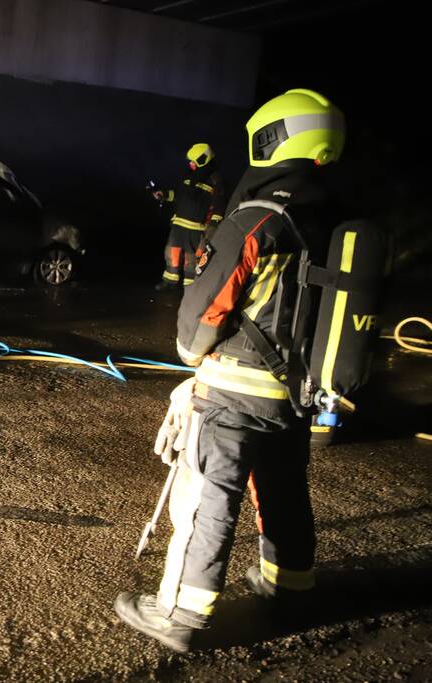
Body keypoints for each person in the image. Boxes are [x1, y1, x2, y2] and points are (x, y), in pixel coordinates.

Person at [115, 89, 347, 652]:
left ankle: (177, 613)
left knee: (206, 497)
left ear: (274, 137)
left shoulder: (260, 215)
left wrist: (191, 354)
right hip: (294, 393)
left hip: (234, 391)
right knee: (284, 488)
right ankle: (289, 584)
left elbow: (206, 306)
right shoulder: (329, 220)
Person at [153, 144, 225, 290]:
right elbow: (178, 195)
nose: (190, 164)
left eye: (193, 161)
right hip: (178, 224)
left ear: (203, 159)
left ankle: (190, 287)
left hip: (196, 229)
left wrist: (213, 228)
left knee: (191, 259)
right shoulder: (188, 176)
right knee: (171, 253)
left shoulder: (215, 180)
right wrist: (164, 195)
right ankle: (169, 281)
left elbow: (219, 205)